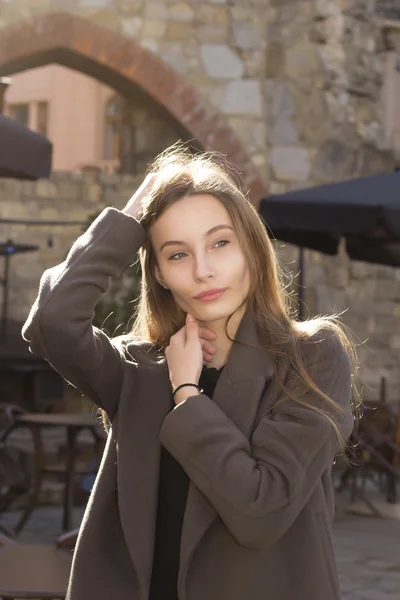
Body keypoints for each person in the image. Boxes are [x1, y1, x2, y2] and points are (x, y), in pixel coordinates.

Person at [22, 146, 358, 600]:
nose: (204, 271)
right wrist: (130, 217)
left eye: (221, 243)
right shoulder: (135, 369)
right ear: (158, 272)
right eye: (178, 255)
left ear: (252, 250)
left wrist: (187, 393)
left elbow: (260, 510)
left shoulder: (311, 356)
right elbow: (52, 322)